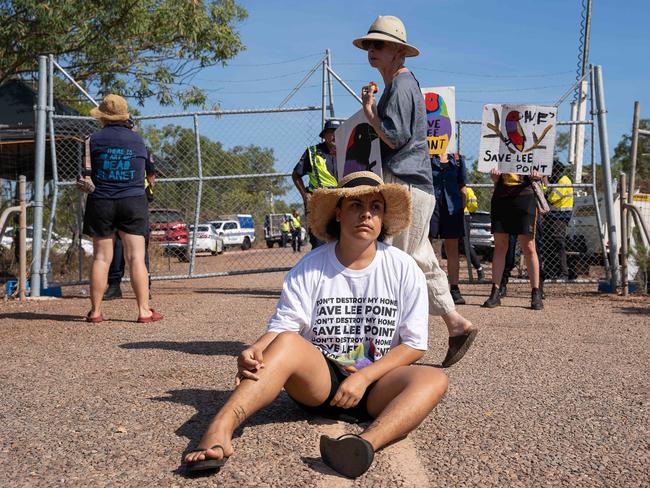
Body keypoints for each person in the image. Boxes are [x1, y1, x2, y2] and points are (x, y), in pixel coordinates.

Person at [183, 171, 448, 479]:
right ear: (338, 212)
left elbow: (414, 344)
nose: (366, 214)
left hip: (378, 382)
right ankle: (221, 426)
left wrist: (364, 379)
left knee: (433, 379)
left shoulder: (403, 268)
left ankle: (362, 445)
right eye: (355, 205)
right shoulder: (310, 266)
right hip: (320, 382)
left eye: (376, 206)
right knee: (285, 344)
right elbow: (285, 324)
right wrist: (255, 348)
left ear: (383, 216)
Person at [354, 15, 477, 367]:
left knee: (392, 263)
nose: (371, 50)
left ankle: (392, 345)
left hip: (405, 185)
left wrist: (370, 114)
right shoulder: (402, 85)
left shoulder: (401, 86)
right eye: (369, 45)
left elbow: (394, 136)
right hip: (415, 185)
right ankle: (457, 325)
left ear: (397, 51)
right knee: (419, 259)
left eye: (378, 44)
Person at [78, 94, 163, 323]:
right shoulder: (138, 140)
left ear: (103, 117)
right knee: (136, 256)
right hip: (133, 202)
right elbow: (150, 172)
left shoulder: (91, 139)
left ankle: (95, 312)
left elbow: (84, 174)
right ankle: (144, 311)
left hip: (101, 201)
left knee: (101, 258)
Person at [104, 121, 157, 300]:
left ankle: (145, 286)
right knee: (116, 245)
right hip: (114, 198)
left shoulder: (140, 145)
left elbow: (151, 173)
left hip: (136, 198)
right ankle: (114, 285)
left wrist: (149, 190)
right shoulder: (110, 148)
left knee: (139, 246)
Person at [482, 169, 543, 310]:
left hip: (525, 196)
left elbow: (542, 170)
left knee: (528, 246)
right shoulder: (498, 148)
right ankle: (495, 292)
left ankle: (536, 292)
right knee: (500, 246)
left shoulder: (534, 147)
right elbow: (492, 173)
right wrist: (494, 176)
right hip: (502, 198)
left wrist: (538, 175)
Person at [292, 120, 340, 250]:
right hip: (318, 203)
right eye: (330, 132)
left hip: (340, 203)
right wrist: (305, 195)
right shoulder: (313, 152)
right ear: (324, 136)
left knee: (341, 243)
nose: (334, 135)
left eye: (337, 132)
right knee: (320, 245)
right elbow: (296, 175)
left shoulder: (347, 152)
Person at [429, 153, 469, 305]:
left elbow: (462, 184)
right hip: (432, 204)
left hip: (452, 206)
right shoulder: (427, 156)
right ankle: (429, 286)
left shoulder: (458, 159)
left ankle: (454, 288)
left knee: (452, 248)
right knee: (426, 244)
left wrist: (462, 205)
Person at [544, 160, 573, 279]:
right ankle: (551, 271)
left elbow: (551, 198)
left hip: (560, 216)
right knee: (550, 244)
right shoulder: (558, 180)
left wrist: (545, 187)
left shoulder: (563, 181)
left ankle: (564, 272)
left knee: (558, 242)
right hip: (553, 216)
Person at [459, 186, 485, 281]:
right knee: (455, 245)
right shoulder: (468, 189)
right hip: (460, 215)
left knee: (465, 244)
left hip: (463, 216)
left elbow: (474, 206)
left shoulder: (467, 190)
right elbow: (473, 207)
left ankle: (479, 269)